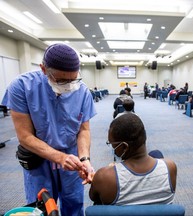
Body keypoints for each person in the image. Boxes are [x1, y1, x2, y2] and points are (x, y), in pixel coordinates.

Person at [7, 43, 96, 216]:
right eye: (62, 80)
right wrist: (60, 157)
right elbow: (24, 136)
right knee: (42, 208)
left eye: (73, 79)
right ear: (43, 69)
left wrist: (84, 158)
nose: (69, 86)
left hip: (72, 158)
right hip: (39, 159)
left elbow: (84, 130)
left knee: (74, 205)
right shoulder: (21, 87)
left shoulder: (82, 91)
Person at [89, 114, 177, 205]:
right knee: (156, 154)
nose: (112, 147)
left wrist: (109, 172)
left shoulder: (104, 176)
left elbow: (93, 197)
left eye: (111, 144)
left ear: (124, 147)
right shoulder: (170, 167)